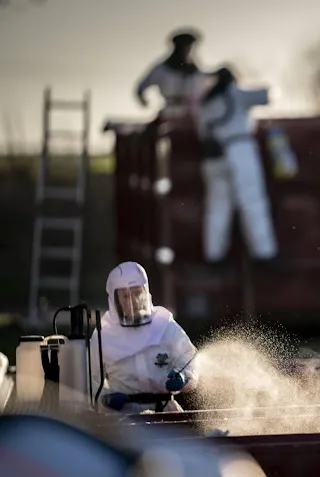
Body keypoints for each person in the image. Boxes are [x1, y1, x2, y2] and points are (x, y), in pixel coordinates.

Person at [90, 261, 199, 413]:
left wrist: (183, 378)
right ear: (115, 300)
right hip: (123, 419)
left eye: (137, 293)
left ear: (146, 292)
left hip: (165, 412)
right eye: (125, 296)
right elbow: (90, 381)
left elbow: (190, 361)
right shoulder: (103, 335)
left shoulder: (165, 325)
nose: (133, 301)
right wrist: (105, 398)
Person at [196, 65, 278, 263]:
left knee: (217, 207)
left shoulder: (205, 103)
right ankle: (264, 254)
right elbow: (268, 95)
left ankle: (214, 256)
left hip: (214, 157)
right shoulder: (236, 93)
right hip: (240, 150)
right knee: (252, 202)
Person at [135, 28, 207, 120]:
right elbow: (141, 88)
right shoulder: (161, 69)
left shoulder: (195, 72)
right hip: (168, 114)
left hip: (193, 117)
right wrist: (144, 101)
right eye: (186, 48)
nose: (188, 52)